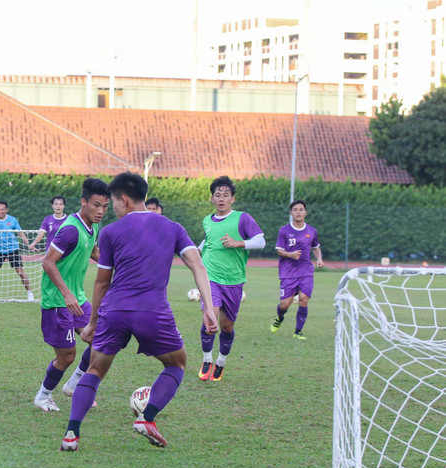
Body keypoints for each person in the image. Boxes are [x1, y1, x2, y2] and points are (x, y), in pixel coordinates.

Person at [60, 172, 218, 451]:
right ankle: (148, 418)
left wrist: (92, 322)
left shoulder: (110, 232)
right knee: (177, 364)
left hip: (114, 311)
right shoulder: (173, 227)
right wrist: (208, 308)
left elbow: (101, 282)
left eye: (113, 204)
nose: (112, 210)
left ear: (124, 200)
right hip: (152, 311)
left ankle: (71, 434)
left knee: (94, 370)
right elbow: (198, 266)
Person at [34, 180, 109, 412]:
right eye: (96, 205)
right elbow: (48, 262)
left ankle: (74, 384)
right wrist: (66, 294)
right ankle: (43, 396)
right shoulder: (69, 230)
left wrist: (114, 264)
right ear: (83, 202)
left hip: (78, 297)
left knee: (100, 340)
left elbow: (93, 251)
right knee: (67, 356)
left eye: (105, 206)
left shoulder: (94, 225)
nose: (100, 211)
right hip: (57, 301)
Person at [196, 176, 265, 382]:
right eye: (217, 195)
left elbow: (260, 241)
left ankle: (221, 362)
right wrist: (195, 252)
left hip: (234, 281)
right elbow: (208, 239)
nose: (221, 199)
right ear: (212, 199)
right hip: (211, 278)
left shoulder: (242, 218)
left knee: (227, 326)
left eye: (225, 195)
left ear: (232, 199)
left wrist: (239, 243)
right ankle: (207, 359)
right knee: (210, 318)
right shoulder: (207, 220)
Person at [270, 200, 323, 340]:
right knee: (284, 304)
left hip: (306, 271)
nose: (298, 212)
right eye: (295, 209)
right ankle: (279, 318)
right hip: (288, 273)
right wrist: (290, 255)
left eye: (301, 209)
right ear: (291, 213)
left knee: (304, 298)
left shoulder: (311, 231)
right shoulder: (284, 231)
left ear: (305, 212)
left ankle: (298, 332)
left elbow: (316, 246)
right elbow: (279, 251)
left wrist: (319, 259)